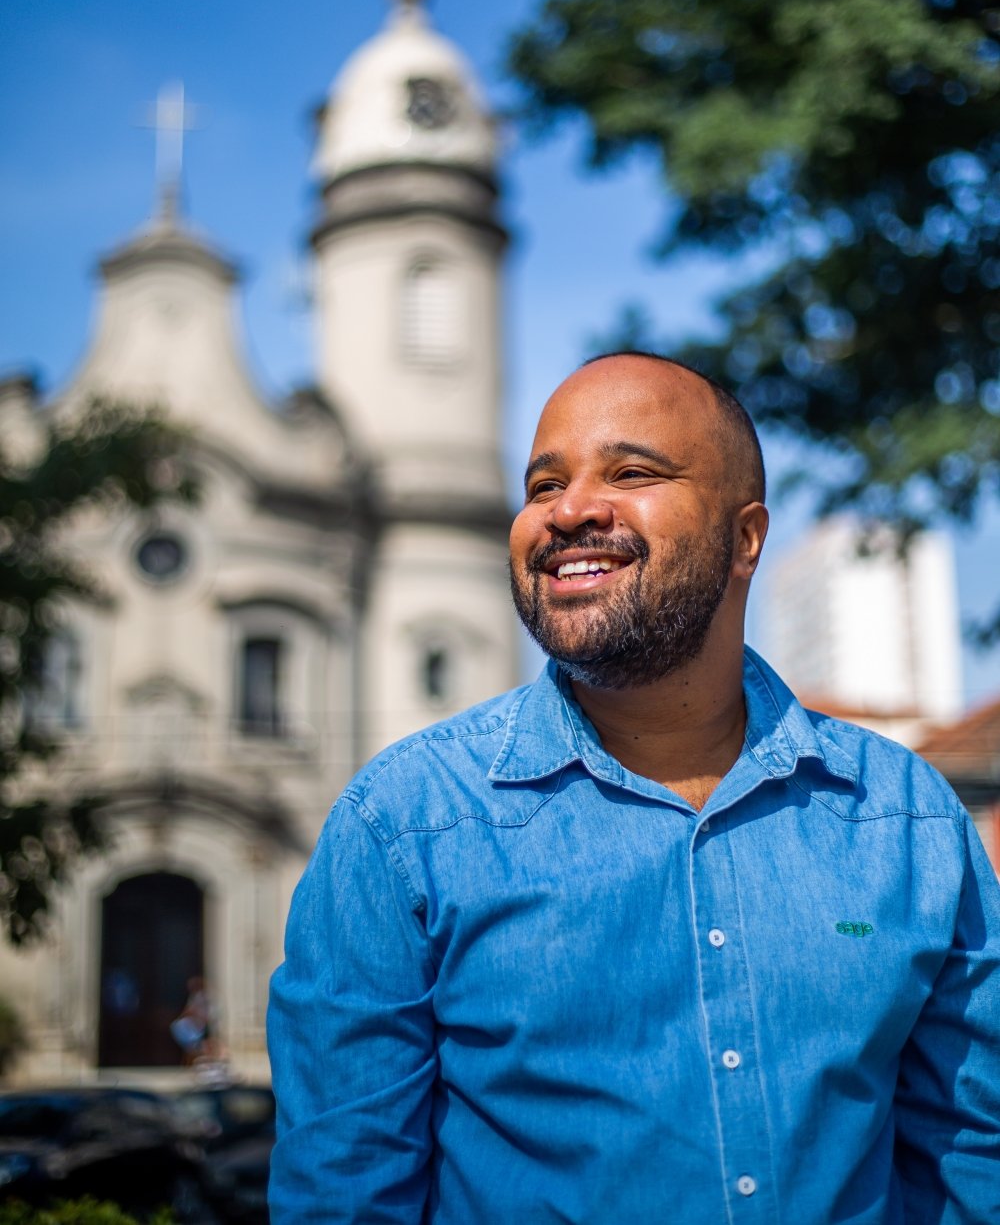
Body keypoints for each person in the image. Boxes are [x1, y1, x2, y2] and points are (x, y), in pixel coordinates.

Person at [267, 353, 1000, 1224]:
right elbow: (342, 1196)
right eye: (543, 484)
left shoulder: (905, 821)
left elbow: (973, 1155)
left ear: (745, 538)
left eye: (631, 472)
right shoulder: (403, 827)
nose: (569, 510)